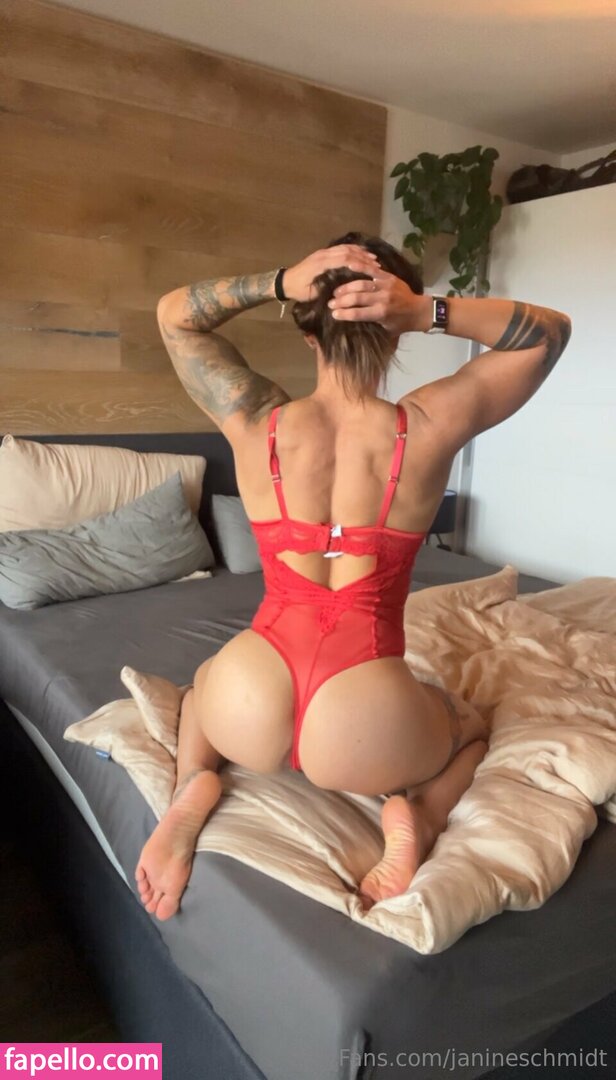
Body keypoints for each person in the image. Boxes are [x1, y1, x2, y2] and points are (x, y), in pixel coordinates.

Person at [135, 232, 572, 921]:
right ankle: (421, 816)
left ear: (308, 332)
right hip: (366, 722)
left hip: (252, 695)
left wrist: (281, 280)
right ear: (393, 335)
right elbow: (549, 334)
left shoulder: (254, 419)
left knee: (204, 683)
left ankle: (194, 783)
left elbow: (174, 316)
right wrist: (423, 310)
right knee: (471, 727)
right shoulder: (425, 426)